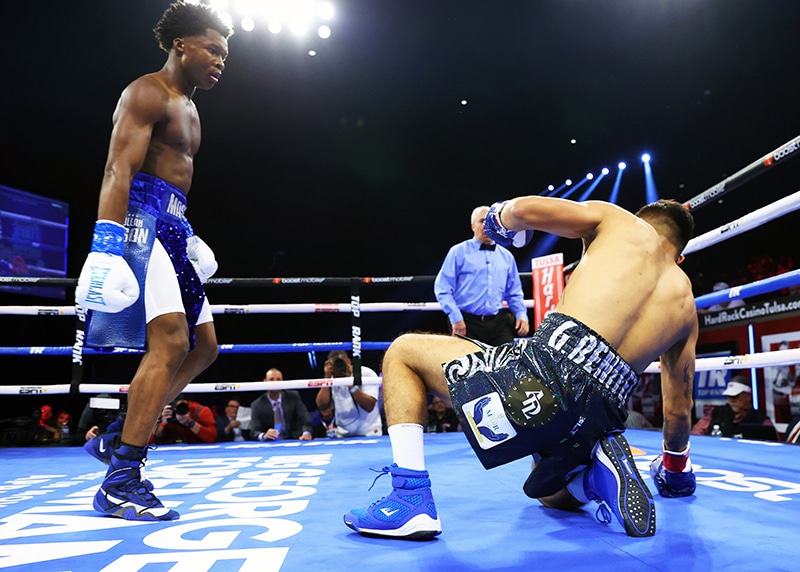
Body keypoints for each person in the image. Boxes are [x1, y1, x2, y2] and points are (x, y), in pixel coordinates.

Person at [344, 197, 699, 540]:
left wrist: (499, 218)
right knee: (547, 491)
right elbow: (679, 413)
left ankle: (409, 500)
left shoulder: (622, 223)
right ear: (680, 257)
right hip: (602, 417)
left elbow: (525, 209)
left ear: (642, 219)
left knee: (403, 352)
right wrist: (676, 474)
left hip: (544, 376)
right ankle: (592, 479)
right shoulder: (686, 306)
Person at [74, 2, 233, 521]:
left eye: (225, 54)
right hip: (140, 224)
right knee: (169, 341)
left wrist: (188, 231)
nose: (220, 60)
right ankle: (122, 479)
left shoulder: (191, 106)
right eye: (212, 48)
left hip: (171, 226)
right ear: (180, 44)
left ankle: (121, 434)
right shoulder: (147, 91)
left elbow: (172, 180)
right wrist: (106, 245)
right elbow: (118, 170)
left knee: (204, 346)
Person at [434, 205, 530, 345]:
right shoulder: (458, 252)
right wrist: (455, 316)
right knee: (467, 364)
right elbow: (442, 288)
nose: (486, 226)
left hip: (497, 322)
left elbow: (514, 292)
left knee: (508, 361)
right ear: (473, 226)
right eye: (481, 221)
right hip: (466, 321)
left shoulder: (506, 256)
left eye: (489, 222)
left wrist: (521, 314)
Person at [316, 351, 383, 437]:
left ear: (348, 361)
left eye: (341, 362)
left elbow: (369, 406)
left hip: (369, 432)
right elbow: (322, 406)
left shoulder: (365, 373)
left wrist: (349, 382)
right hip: (343, 434)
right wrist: (327, 378)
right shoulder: (331, 378)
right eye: (335, 363)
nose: (339, 366)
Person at [691, 376, 776, 439]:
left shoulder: (761, 421)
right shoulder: (716, 413)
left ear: (748, 396)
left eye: (735, 396)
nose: (731, 400)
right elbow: (696, 434)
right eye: (729, 396)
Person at [250, 368, 313, 441]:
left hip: (295, 439)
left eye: (278, 379)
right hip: (271, 443)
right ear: (265, 382)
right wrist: (264, 435)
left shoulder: (293, 397)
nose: (275, 382)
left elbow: (305, 419)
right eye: (271, 379)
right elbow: (254, 431)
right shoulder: (257, 404)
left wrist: (306, 433)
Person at [150, 396, 217, 444]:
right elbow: (149, 441)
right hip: (170, 449)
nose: (177, 410)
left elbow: (212, 438)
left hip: (197, 448)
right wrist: (163, 422)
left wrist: (189, 422)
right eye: (174, 406)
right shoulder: (163, 411)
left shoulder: (200, 411)